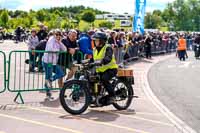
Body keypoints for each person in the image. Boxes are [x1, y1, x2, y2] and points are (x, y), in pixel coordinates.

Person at [91, 31, 118, 103]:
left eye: (97, 40)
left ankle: (112, 96)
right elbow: (92, 59)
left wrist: (102, 61)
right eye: (95, 40)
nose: (95, 42)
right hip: (100, 70)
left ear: (102, 41)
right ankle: (95, 96)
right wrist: (84, 62)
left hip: (111, 69)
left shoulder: (108, 47)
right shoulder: (94, 50)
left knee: (104, 79)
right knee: (91, 78)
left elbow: (108, 58)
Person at [42, 29, 67, 99]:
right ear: (54, 34)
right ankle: (48, 93)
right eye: (57, 34)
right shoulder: (51, 39)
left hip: (54, 62)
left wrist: (60, 42)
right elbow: (50, 49)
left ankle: (49, 80)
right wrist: (57, 50)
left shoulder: (58, 41)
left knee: (61, 73)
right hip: (48, 62)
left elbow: (65, 49)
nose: (58, 36)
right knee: (48, 76)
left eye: (60, 35)